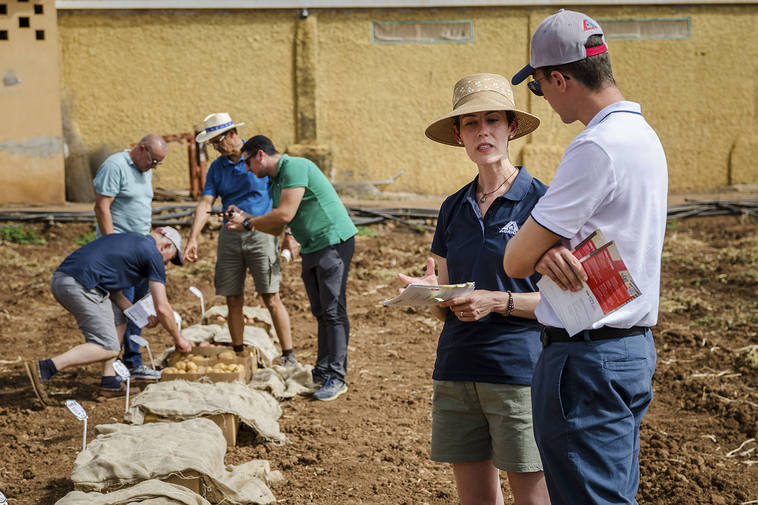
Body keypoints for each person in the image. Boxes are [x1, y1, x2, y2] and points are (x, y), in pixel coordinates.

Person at [504, 10, 667, 505]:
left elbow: (514, 260)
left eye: (538, 87)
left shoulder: (595, 146)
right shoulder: (642, 136)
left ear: (560, 78)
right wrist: (551, 248)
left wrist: (541, 249)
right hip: (629, 350)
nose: (545, 98)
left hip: (586, 360)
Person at [397, 73, 550, 505]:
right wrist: (431, 292)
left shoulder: (541, 201)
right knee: (474, 498)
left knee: (533, 495)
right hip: (457, 366)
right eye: (471, 123)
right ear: (459, 134)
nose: (482, 130)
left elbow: (564, 302)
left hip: (519, 371)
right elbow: (447, 299)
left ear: (511, 128)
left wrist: (496, 301)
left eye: (493, 120)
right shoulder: (453, 206)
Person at [225, 135, 357, 402]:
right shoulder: (275, 183)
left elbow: (284, 215)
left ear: (260, 154)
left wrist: (249, 223)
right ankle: (323, 370)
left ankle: (337, 376)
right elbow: (275, 227)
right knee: (320, 311)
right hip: (311, 247)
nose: (247, 169)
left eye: (248, 162)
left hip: (333, 241)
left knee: (333, 310)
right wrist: (246, 219)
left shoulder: (295, 166)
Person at [24, 227, 194, 405]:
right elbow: (163, 307)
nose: (166, 265)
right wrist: (178, 339)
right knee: (109, 346)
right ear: (165, 246)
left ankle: (109, 382)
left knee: (119, 319)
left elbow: (115, 293)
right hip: (79, 285)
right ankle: (45, 368)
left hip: (66, 279)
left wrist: (139, 316)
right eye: (170, 260)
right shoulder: (152, 254)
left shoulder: (131, 241)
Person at [184, 113, 295, 365]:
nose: (215, 148)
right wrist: (193, 238)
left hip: (262, 233)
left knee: (271, 296)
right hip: (230, 236)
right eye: (211, 144)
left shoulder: (258, 157)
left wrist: (288, 233)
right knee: (232, 297)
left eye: (218, 141)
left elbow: (283, 199)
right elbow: (206, 202)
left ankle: (289, 354)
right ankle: (237, 352)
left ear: (232, 134)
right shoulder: (217, 167)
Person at [92, 133, 167, 381]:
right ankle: (110, 367)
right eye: (153, 160)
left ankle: (133, 362)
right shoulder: (115, 166)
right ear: (141, 149)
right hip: (121, 251)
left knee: (139, 307)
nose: (154, 166)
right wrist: (111, 245)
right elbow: (102, 206)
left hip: (142, 249)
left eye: (159, 162)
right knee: (121, 307)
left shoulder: (146, 170)